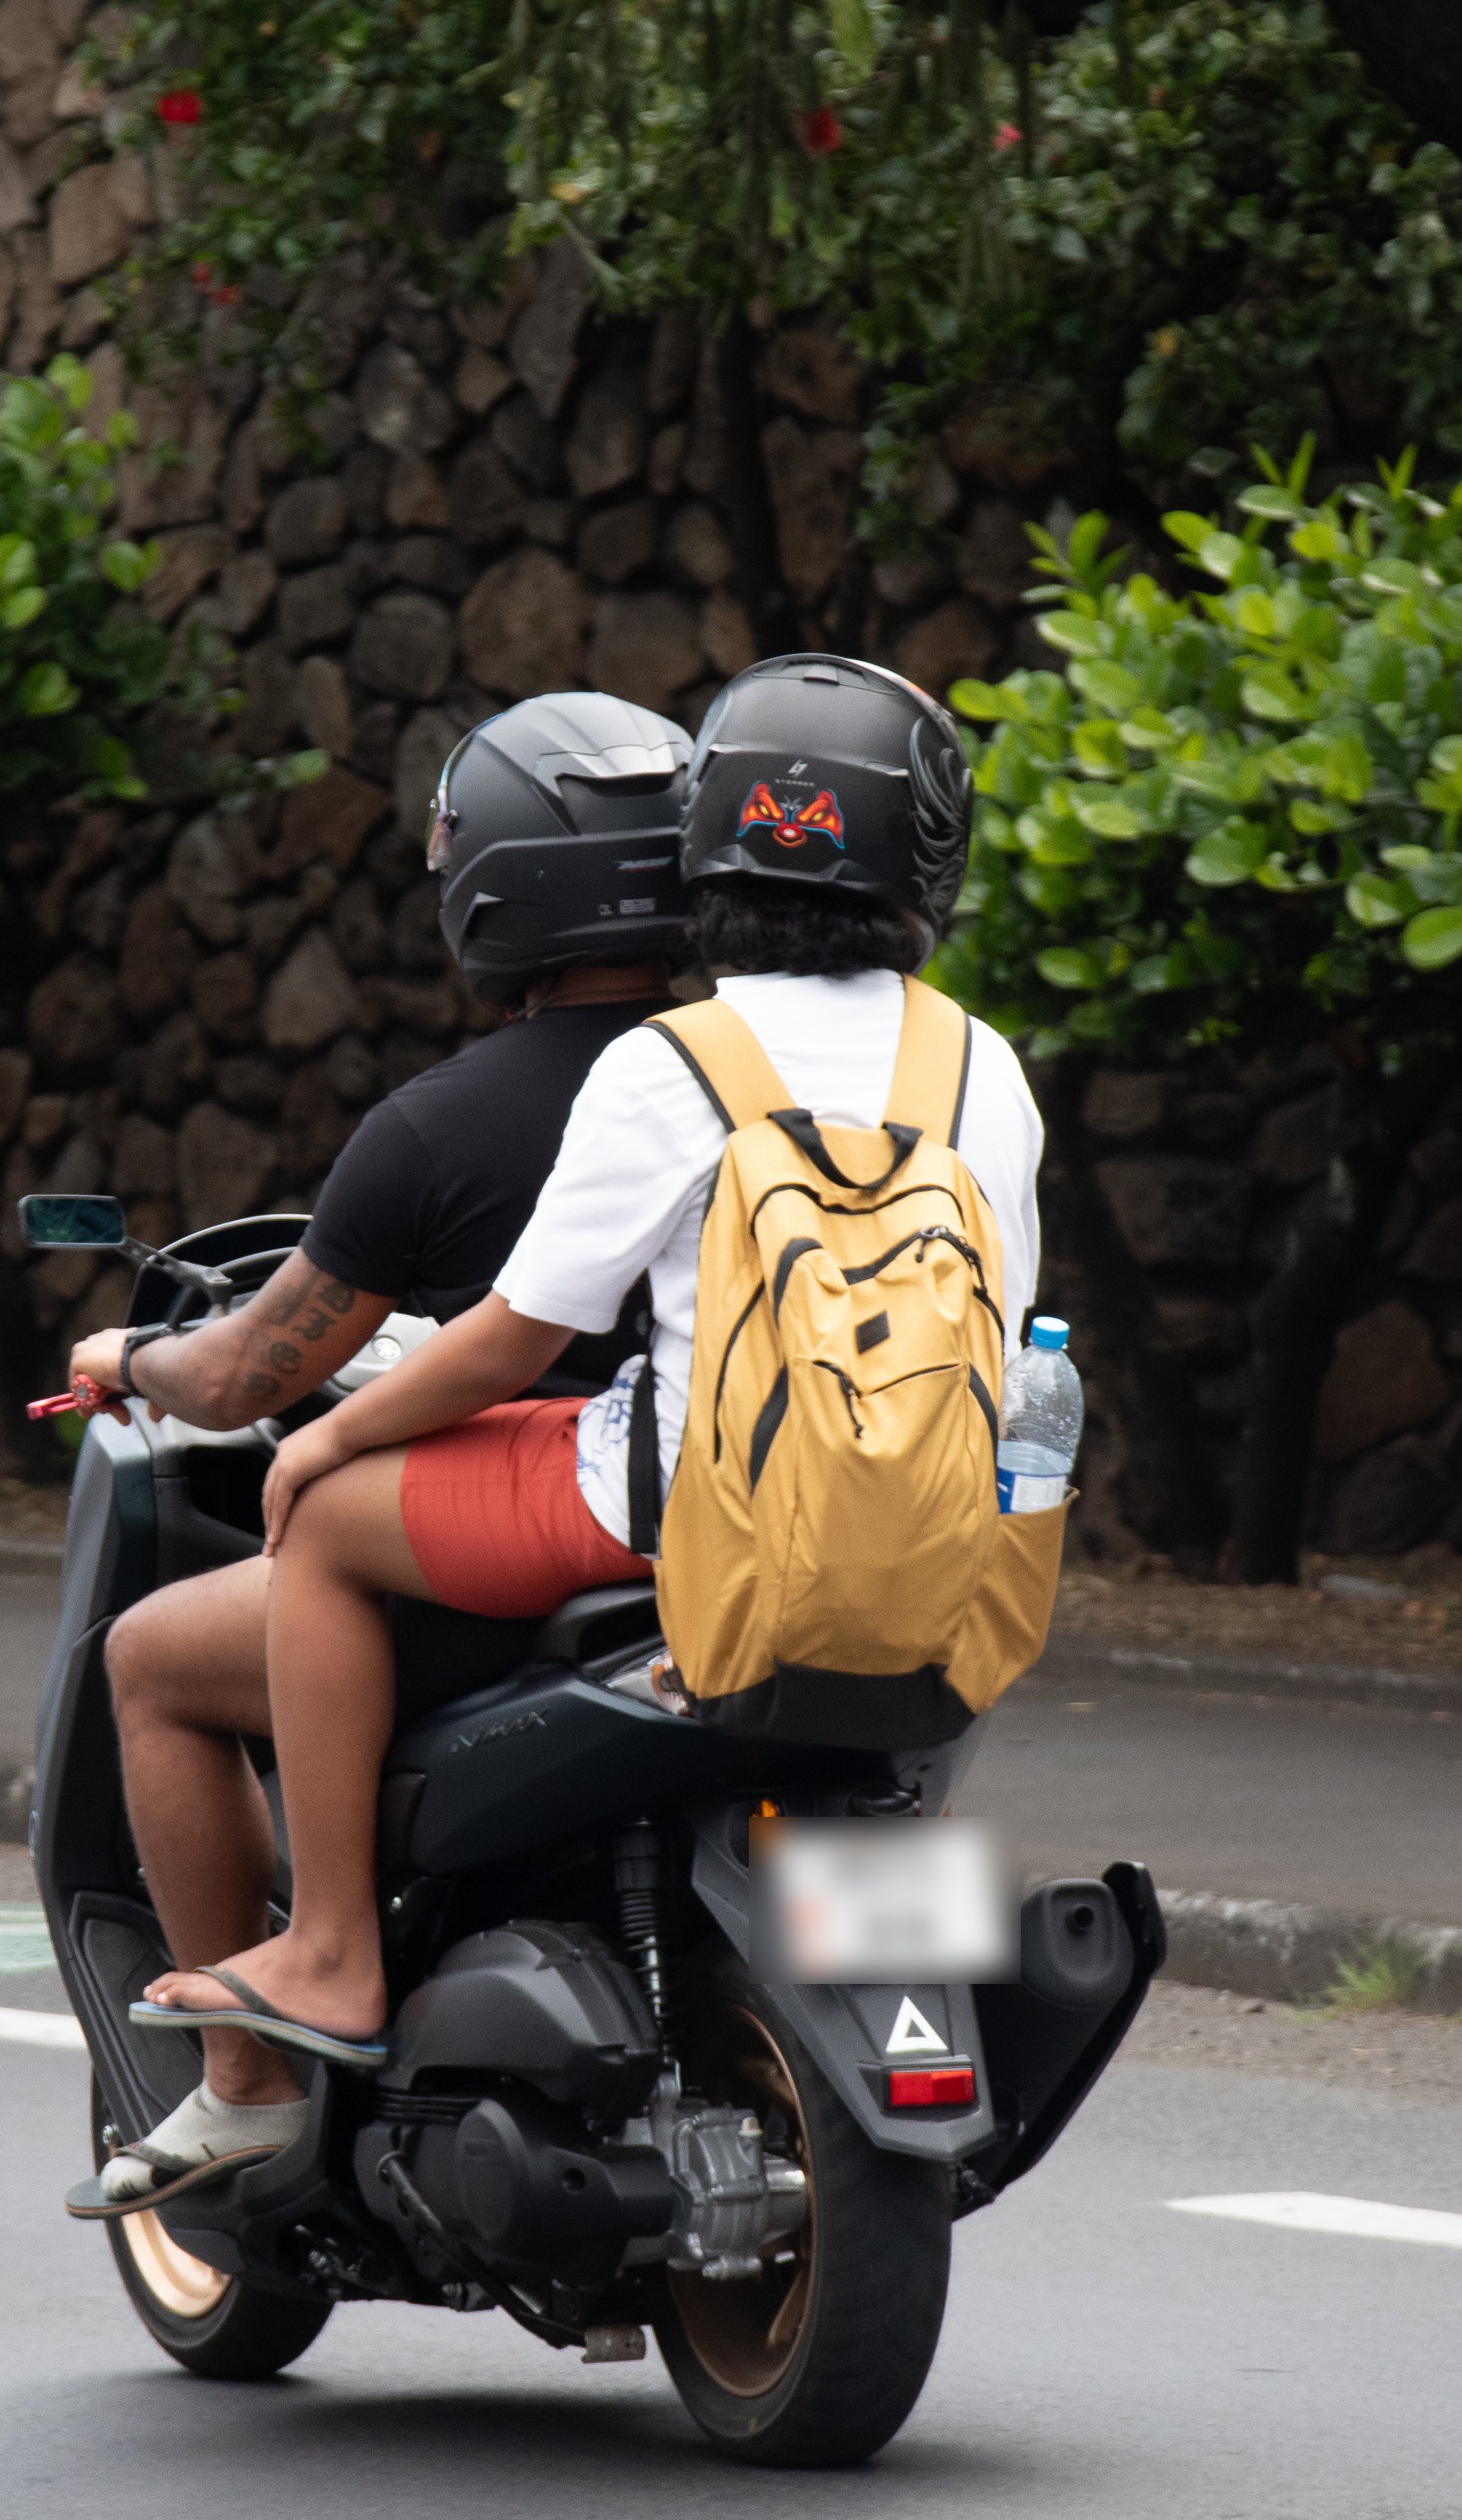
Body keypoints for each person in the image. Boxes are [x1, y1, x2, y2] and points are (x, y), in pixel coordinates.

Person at [129, 654, 1044, 2086]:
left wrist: (326, 1440)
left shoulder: (679, 1060)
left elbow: (519, 1335)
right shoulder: (981, 1062)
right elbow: (1009, 1319)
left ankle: (330, 1949)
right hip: (941, 1535)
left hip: (682, 1512)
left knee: (324, 1518)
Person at [63, 692, 696, 2206]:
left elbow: (245, 1373)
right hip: (759, 1514)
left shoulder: (441, 1129)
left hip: (520, 1551)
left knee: (150, 1657)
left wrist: (125, 1359)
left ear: (490, 885)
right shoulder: (755, 1076)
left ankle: (250, 2072)